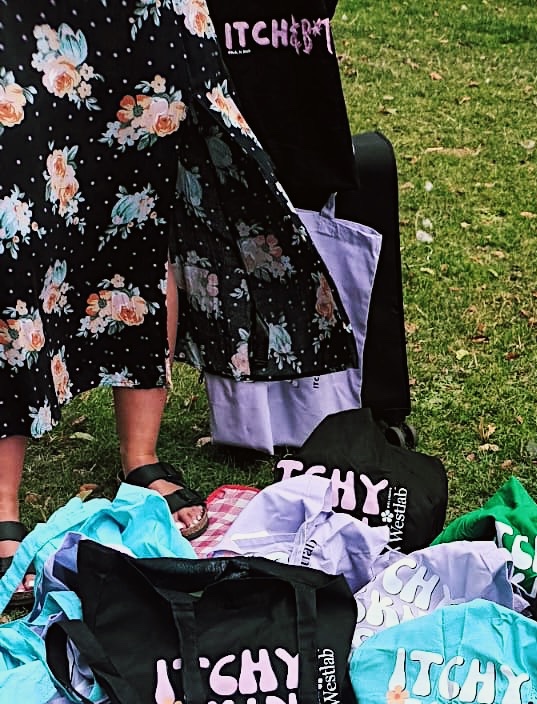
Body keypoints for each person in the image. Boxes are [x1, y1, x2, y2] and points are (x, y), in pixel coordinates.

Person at [0, 0, 356, 574]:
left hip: (143, 16)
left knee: (144, 218)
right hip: (24, 20)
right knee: (16, 233)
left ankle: (141, 456)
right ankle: (1, 500)